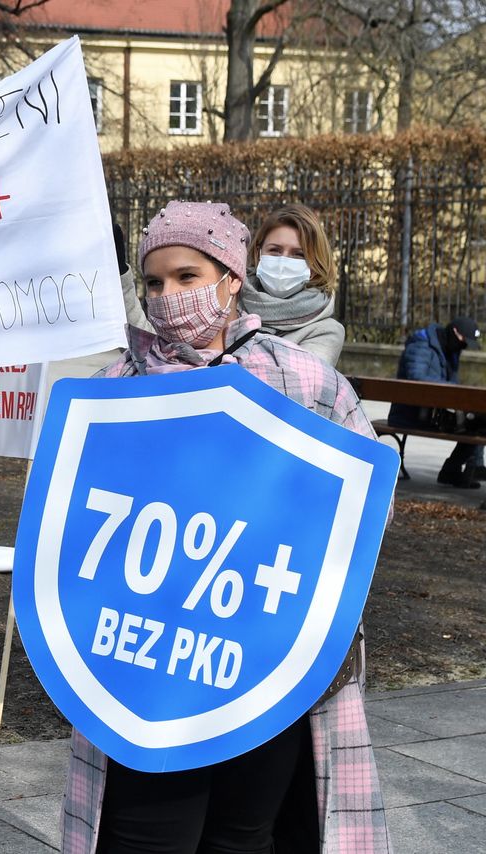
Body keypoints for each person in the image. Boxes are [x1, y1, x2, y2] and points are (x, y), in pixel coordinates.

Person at [62, 201, 390, 854]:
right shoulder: (117, 384)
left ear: (231, 278)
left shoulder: (308, 382)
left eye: (187, 276)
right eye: (154, 283)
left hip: (270, 654)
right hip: (151, 658)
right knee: (145, 836)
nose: (168, 296)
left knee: (245, 837)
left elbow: (362, 508)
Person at [242, 203, 346, 366]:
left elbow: (294, 384)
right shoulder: (229, 303)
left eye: (298, 254)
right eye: (275, 250)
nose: (283, 261)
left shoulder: (326, 331)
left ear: (314, 265)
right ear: (258, 252)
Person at [388, 316, 483, 488]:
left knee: (479, 421)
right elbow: (417, 377)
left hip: (432, 413)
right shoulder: (421, 345)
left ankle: (463, 470)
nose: (464, 346)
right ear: (455, 332)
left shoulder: (450, 349)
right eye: (464, 341)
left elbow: (452, 387)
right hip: (410, 414)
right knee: (475, 424)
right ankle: (459, 469)